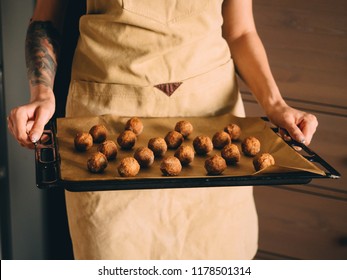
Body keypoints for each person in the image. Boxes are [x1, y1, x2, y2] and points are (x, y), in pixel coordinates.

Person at [8, 0, 318, 259]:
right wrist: (41, 93)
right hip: (109, 116)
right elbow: (47, 18)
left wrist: (276, 104)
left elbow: (240, 31)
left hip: (210, 117)